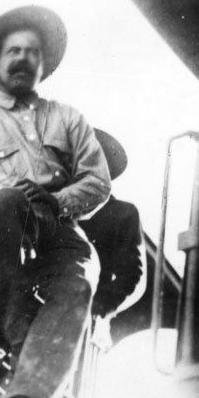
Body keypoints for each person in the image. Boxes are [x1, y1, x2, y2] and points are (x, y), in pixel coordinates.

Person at [0, 6, 111, 398]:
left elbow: (98, 181)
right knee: (6, 201)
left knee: (82, 273)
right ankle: (19, 336)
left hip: (54, 220)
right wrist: (15, 187)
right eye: (13, 51)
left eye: (32, 52)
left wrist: (57, 200)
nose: (23, 58)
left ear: (43, 64)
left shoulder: (68, 119)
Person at [80, 129, 146, 321]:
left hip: (88, 318)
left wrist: (96, 308)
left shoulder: (123, 214)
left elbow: (132, 275)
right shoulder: (54, 206)